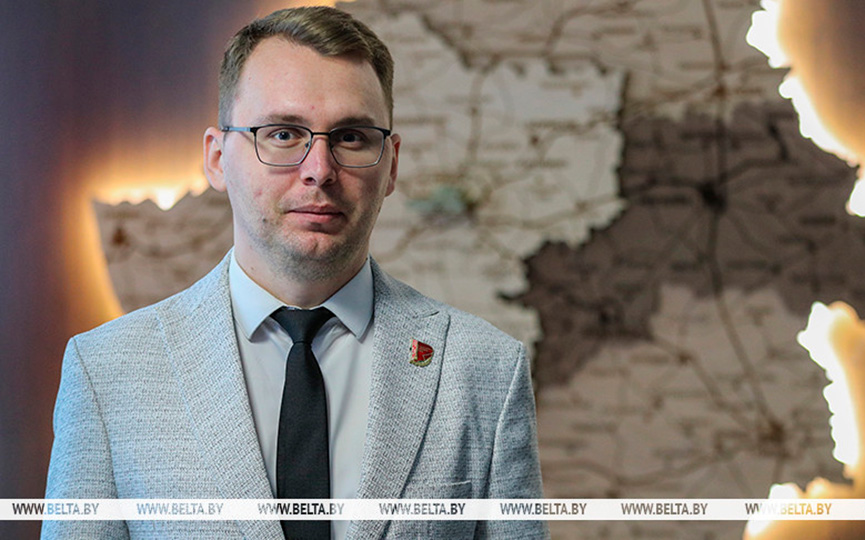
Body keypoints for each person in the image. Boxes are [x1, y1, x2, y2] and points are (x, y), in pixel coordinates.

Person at [43, 6, 547, 539]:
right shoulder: (107, 374)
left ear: (392, 164)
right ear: (217, 159)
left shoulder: (487, 371)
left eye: (351, 137)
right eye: (283, 134)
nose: (320, 170)